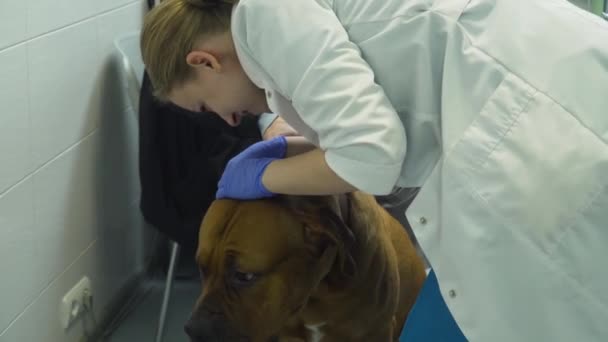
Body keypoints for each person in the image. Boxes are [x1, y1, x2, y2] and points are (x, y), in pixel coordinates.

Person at [140, 0, 608, 340]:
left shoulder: (263, 16)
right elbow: (368, 134)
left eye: (204, 104)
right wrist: (289, 151)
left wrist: (262, 177)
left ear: (204, 62)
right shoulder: (275, 30)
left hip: (538, 124)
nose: (224, 121)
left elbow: (371, 159)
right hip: (538, 101)